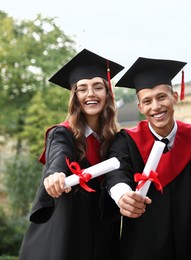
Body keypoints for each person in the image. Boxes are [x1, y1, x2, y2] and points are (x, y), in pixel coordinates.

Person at [19, 49, 124, 260]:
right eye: (82, 89)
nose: (91, 94)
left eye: (97, 87)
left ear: (108, 93)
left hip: (101, 237)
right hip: (64, 236)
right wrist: (56, 174)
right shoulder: (63, 133)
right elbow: (59, 155)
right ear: (75, 97)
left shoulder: (115, 141)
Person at [104, 57, 191, 260]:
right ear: (140, 107)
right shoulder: (127, 140)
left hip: (189, 245)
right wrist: (123, 195)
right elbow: (116, 173)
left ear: (175, 97)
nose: (156, 106)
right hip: (142, 246)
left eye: (161, 97)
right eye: (147, 101)